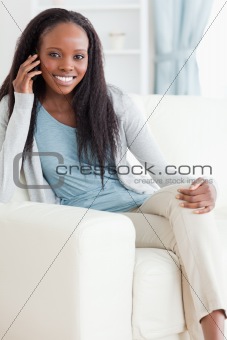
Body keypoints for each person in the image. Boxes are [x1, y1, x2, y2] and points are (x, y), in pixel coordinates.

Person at [0, 8, 226, 340]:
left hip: (142, 203)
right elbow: (4, 192)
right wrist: (21, 102)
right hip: (98, 221)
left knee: (190, 206)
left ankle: (215, 331)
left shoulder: (113, 100)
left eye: (78, 56)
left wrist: (209, 187)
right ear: (33, 56)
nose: (67, 66)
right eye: (54, 55)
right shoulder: (13, 107)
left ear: (91, 59)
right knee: (198, 227)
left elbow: (160, 171)